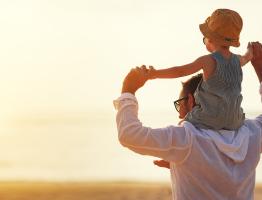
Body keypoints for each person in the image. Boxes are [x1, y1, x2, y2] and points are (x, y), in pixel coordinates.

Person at [113, 42, 262, 200]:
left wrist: (128, 90)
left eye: (180, 104)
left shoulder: (186, 139)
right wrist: (259, 68)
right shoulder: (251, 134)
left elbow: (129, 135)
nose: (180, 115)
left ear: (191, 101)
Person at [148, 8, 253, 130]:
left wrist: (154, 74)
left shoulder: (208, 60)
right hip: (235, 120)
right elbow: (248, 57)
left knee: (182, 125)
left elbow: (180, 71)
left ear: (211, 39)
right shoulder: (238, 60)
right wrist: (250, 49)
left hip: (210, 118)